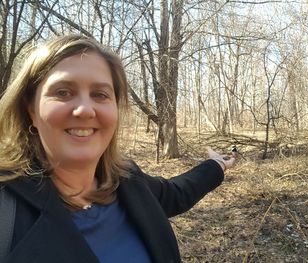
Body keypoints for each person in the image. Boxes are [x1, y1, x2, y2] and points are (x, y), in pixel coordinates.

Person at [0, 35, 236, 263]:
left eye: (100, 94)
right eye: (63, 92)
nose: (85, 110)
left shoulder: (126, 180)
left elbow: (175, 193)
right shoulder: (6, 209)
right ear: (30, 109)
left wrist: (216, 164)